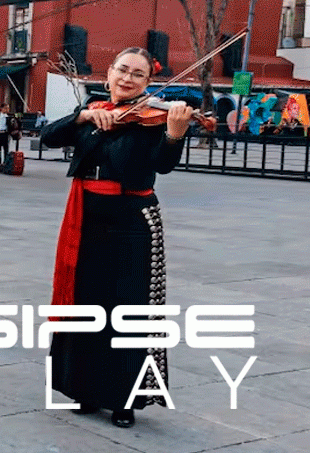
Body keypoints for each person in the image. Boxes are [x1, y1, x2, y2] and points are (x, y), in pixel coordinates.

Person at [41, 47, 191, 429]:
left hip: (131, 219)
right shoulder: (95, 109)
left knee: (127, 311)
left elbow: (162, 165)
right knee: (86, 304)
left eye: (137, 74)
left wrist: (174, 136)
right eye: (122, 70)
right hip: (87, 215)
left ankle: (124, 398)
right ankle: (86, 390)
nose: (127, 78)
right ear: (108, 73)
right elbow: (49, 136)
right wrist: (85, 115)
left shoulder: (154, 117)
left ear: (147, 82)